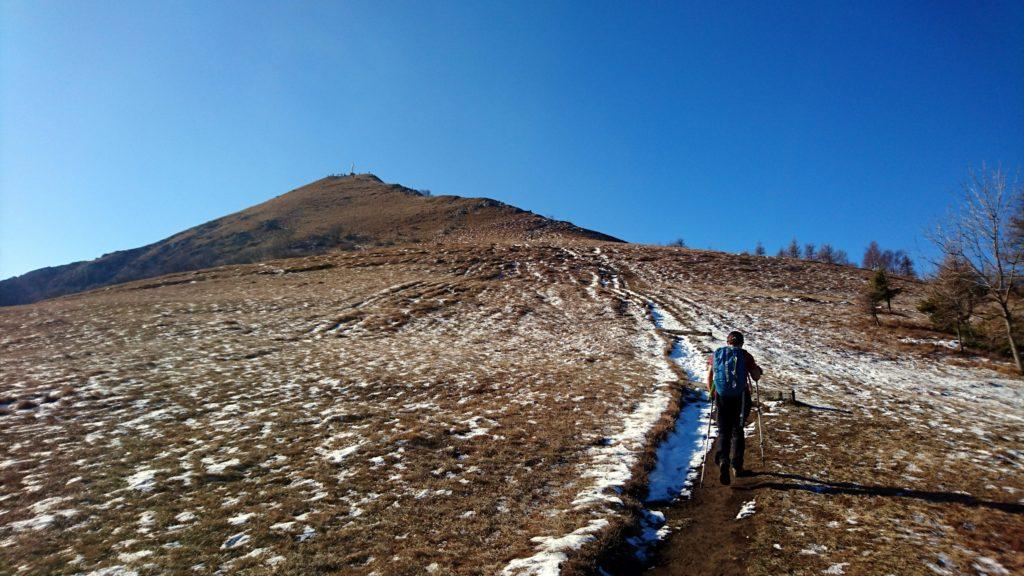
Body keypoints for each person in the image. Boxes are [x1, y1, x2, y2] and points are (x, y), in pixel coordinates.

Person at [707, 331, 763, 485]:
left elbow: (710, 375)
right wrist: (759, 371)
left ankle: (723, 459)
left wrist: (712, 393)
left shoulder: (717, 354)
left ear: (727, 342)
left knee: (723, 430)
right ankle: (737, 467)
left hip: (722, 396)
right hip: (741, 397)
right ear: (742, 343)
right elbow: (755, 376)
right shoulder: (745, 356)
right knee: (737, 430)